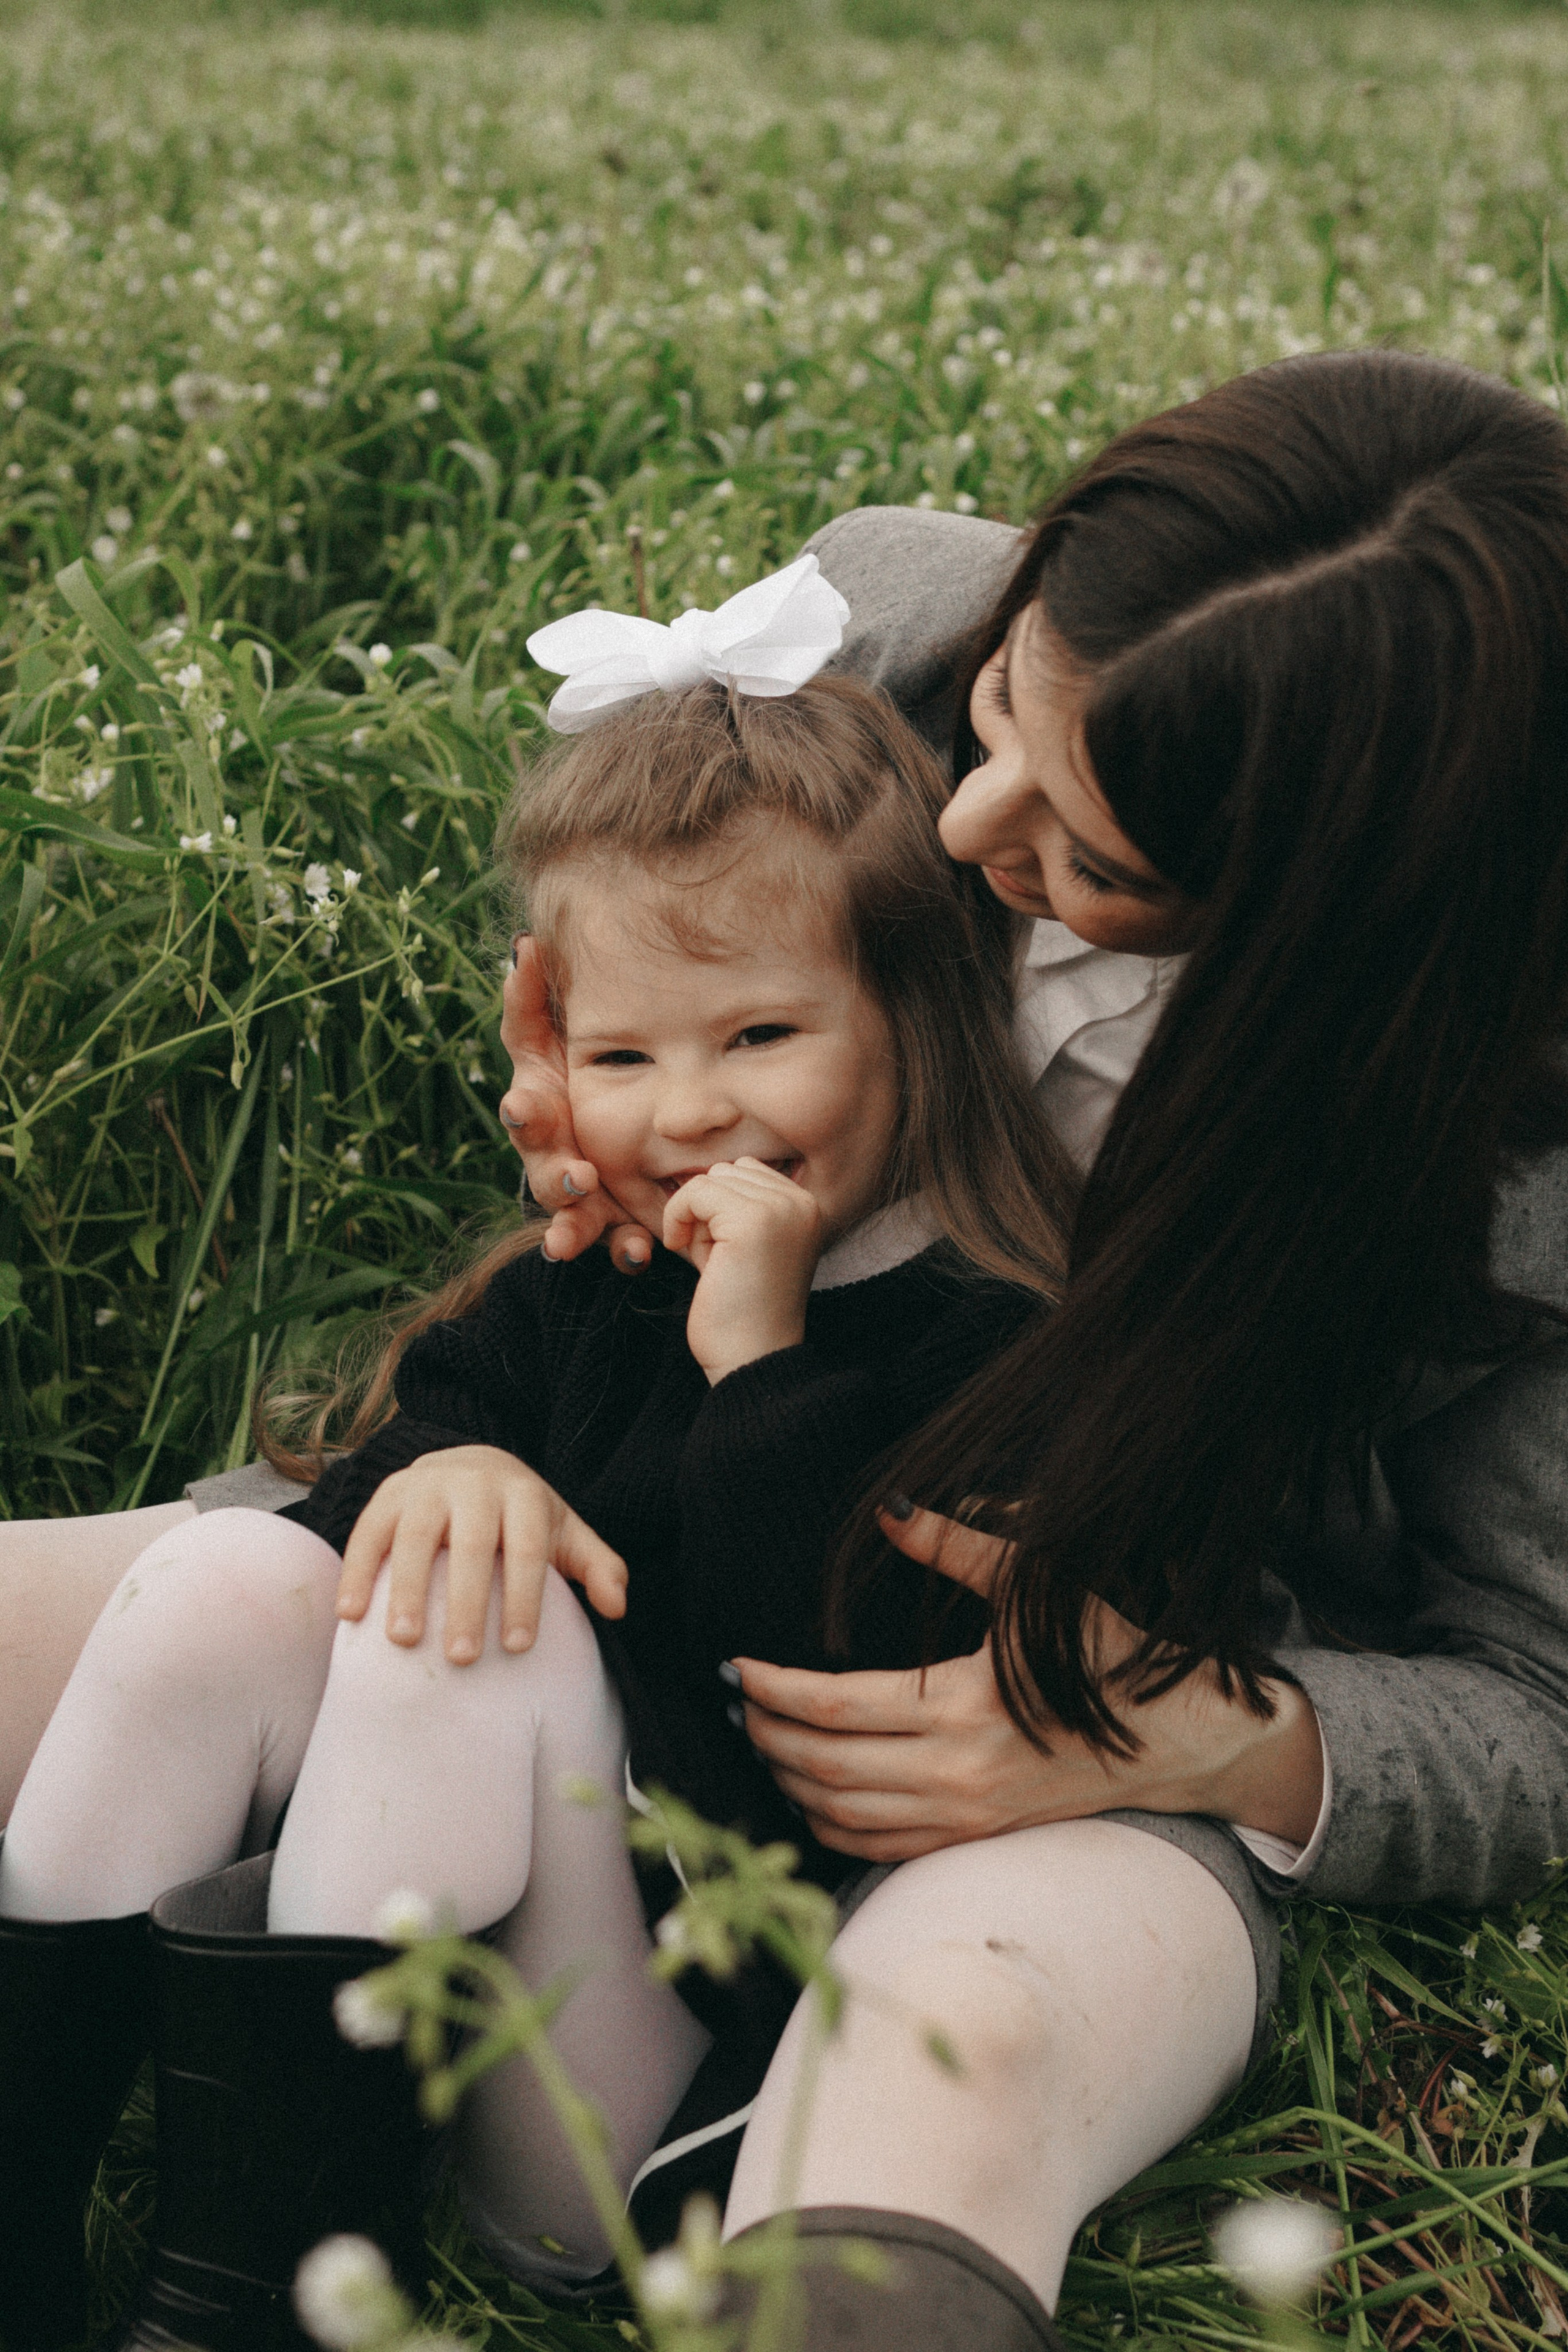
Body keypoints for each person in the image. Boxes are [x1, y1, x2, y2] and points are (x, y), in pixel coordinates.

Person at [4, 345, 1568, 2352]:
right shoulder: (888, 611)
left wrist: (1216, 1725)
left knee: (956, 2052)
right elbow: (643, 958)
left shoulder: (1515, 1149)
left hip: (1043, 1754)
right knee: (168, 1613)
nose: (970, 814)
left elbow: (1536, 1698)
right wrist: (592, 1095)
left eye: (1097, 859)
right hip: (604, 1517)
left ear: (1342, 924)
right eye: (1003, 711)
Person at [0, 594, 1077, 2348]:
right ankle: (35, 2215)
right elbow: (420, 1436)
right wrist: (447, 1468)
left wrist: (763, 1363)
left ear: (918, 1013)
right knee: (235, 1576)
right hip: (459, 2003)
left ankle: (255, 2307)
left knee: (480, 1629)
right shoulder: (601, 1271)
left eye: (759, 1038)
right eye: (624, 1057)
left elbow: (822, 1672)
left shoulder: (985, 1336)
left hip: (648, 2091)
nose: (688, 1116)